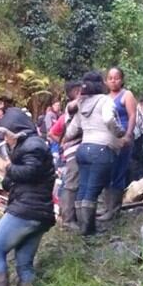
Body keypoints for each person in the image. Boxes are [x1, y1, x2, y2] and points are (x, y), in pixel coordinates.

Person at [0, 108, 56, 286]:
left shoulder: (33, 146)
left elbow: (28, 173)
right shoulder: (31, 145)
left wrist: (8, 166)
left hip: (26, 210)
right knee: (24, 262)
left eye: (6, 134)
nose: (6, 139)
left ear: (15, 130)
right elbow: (13, 181)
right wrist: (7, 174)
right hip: (39, 213)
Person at [65, 71, 123, 235]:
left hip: (83, 150)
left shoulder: (81, 104)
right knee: (92, 192)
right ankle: (88, 231)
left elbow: (70, 131)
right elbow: (109, 119)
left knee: (83, 189)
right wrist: (119, 132)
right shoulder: (105, 100)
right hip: (102, 149)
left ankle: (82, 227)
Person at [98, 67, 138, 222]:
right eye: (110, 78)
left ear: (122, 79)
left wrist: (128, 135)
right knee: (108, 172)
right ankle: (107, 206)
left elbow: (132, 115)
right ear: (106, 81)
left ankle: (114, 209)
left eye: (116, 78)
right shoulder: (105, 98)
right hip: (109, 141)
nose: (113, 81)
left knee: (118, 172)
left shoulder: (126, 95)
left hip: (123, 140)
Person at [48, 81, 82, 230]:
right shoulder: (68, 114)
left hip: (74, 152)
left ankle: (69, 216)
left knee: (71, 183)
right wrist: (63, 142)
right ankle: (67, 219)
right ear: (75, 92)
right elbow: (51, 132)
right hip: (72, 153)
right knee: (70, 183)